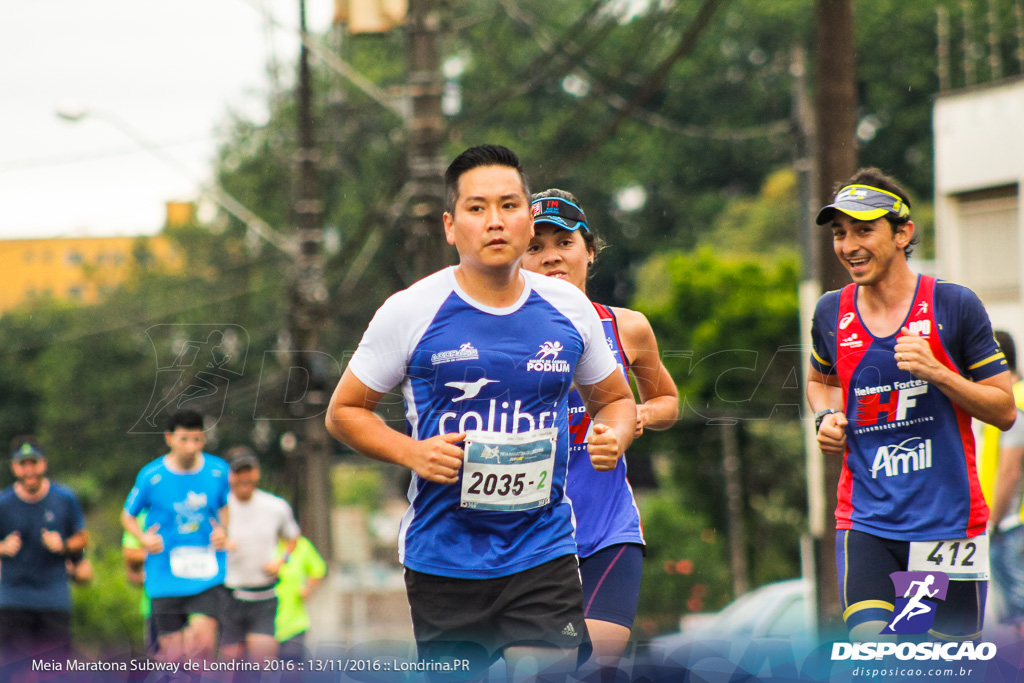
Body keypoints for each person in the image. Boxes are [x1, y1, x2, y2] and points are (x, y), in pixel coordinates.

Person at [325, 144, 637, 680]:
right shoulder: (410, 311)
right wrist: (413, 453)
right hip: (444, 558)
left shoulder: (568, 308)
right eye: (477, 208)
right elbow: (345, 412)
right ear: (450, 226)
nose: (495, 221)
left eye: (509, 205)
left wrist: (616, 433)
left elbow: (615, 399)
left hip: (543, 550)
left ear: (526, 217)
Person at [806, 168, 1016, 643]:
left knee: (938, 664)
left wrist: (938, 371)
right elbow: (820, 383)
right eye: (840, 233)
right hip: (867, 520)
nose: (848, 245)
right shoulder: (830, 312)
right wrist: (826, 417)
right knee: (876, 655)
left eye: (864, 230)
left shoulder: (954, 305)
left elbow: (1004, 410)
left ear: (903, 233)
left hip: (947, 525)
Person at [522, 189, 678, 669]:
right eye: (535, 245)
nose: (551, 256)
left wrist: (631, 421)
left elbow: (666, 401)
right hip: (527, 539)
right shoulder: (499, 335)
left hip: (607, 533)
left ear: (589, 251)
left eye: (564, 242)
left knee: (595, 666)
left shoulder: (626, 327)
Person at [121, 409, 230, 663]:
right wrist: (143, 539)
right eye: (184, 439)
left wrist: (223, 532)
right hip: (164, 576)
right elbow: (127, 516)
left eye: (197, 439)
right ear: (169, 438)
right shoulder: (151, 476)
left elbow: (224, 507)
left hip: (207, 574)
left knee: (203, 647)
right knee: (173, 657)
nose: (191, 447)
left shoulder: (218, 470)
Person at [0, 437, 88, 669]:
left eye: (34, 463)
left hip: (53, 598)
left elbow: (82, 538)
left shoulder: (65, 499)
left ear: (44, 464)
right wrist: (3, 547)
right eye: (23, 464)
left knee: (54, 668)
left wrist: (64, 546)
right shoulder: (3, 503)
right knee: (14, 668)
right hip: (13, 598)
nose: (29, 470)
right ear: (14, 467)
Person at [220, 446, 300, 662]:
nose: (244, 478)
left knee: (263, 664)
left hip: (264, 595)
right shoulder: (219, 507)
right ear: (228, 475)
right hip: (227, 594)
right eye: (238, 472)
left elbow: (292, 538)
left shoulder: (275, 507)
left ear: (257, 472)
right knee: (228, 666)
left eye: (249, 471)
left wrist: (281, 560)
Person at [978, 330, 1024, 634]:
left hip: (1011, 526)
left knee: (1019, 617)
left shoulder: (1012, 403)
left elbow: (1009, 470)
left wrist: (992, 523)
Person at [274, 535, 327, 662]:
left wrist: (307, 587)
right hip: (262, 626)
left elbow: (318, 570)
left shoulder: (301, 545)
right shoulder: (261, 545)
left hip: (293, 625)